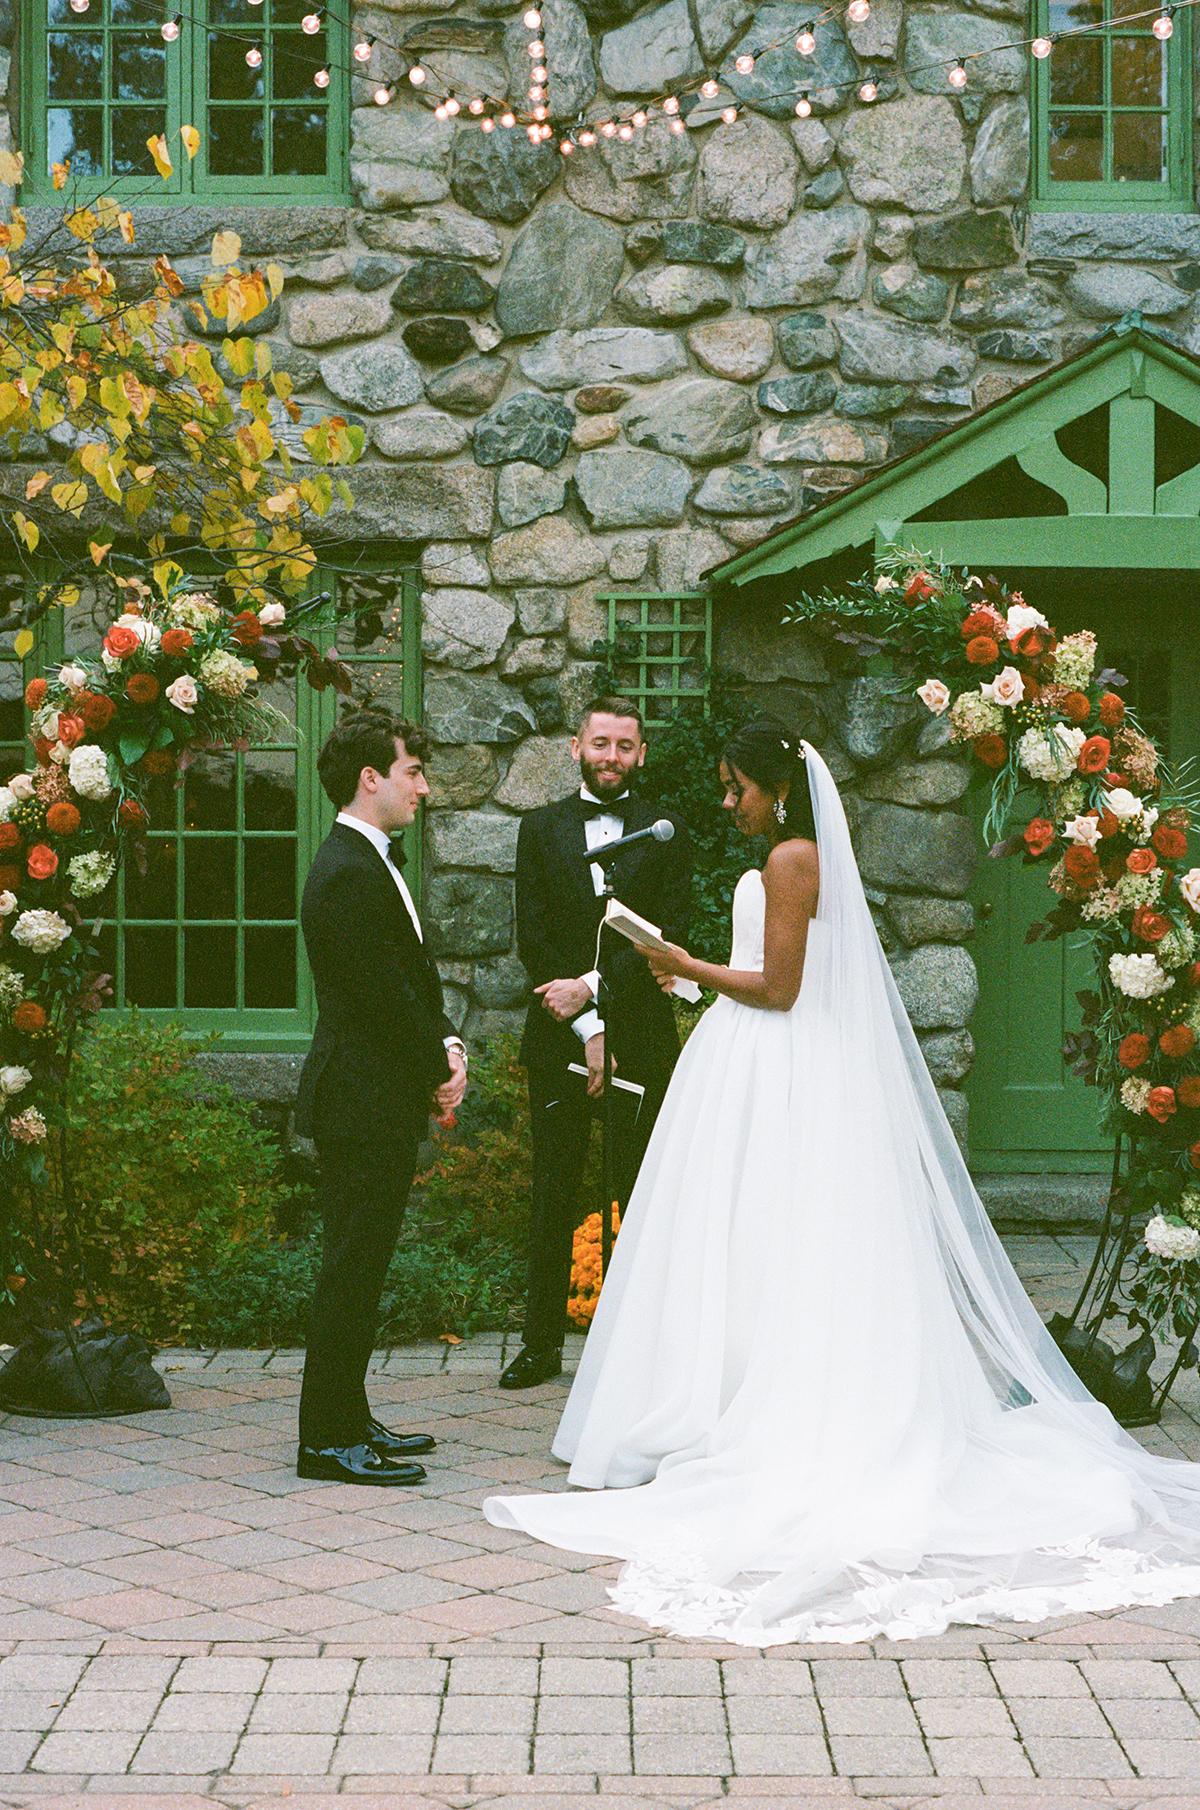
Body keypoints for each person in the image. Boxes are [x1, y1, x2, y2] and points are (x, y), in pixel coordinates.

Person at [484, 719, 1200, 1644]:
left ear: (776, 789)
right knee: (755, 1240)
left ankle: (763, 1411)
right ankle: (728, 1395)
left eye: (736, 785)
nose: (728, 800)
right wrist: (692, 984)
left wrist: (675, 962)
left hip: (781, 1059)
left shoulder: (790, 859)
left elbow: (780, 988)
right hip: (754, 1057)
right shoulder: (786, 854)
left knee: (780, 1234)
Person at [499, 695, 693, 1391]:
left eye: (625, 746)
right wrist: (587, 1025)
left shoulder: (667, 830)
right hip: (559, 1037)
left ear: (642, 754)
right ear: (576, 747)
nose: (612, 757)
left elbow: (666, 936)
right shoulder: (541, 829)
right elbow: (535, 938)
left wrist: (594, 992)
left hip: (642, 1034)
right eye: (600, 743)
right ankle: (540, 1345)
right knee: (552, 1190)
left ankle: (641, 1350)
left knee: (642, 1190)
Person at [295, 708, 468, 1486]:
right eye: (413, 772)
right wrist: (438, 1063)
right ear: (372, 779)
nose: (422, 788)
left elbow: (408, 983)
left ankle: (349, 1417)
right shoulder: (343, 872)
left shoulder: (368, 864)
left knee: (363, 1268)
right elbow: (378, 1000)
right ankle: (325, 1440)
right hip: (360, 1100)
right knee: (351, 1269)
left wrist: (447, 1045)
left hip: (378, 1094)